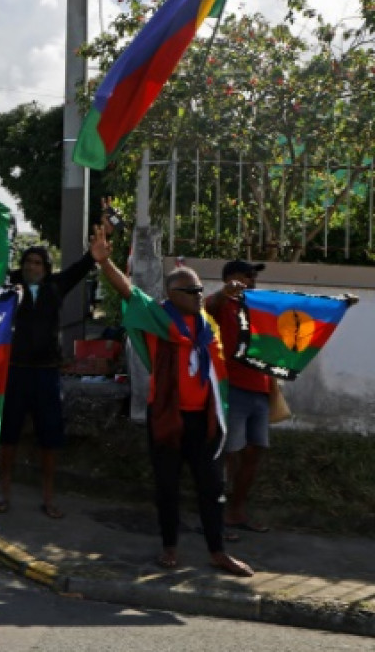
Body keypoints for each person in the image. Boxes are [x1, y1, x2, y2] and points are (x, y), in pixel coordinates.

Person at [97, 240, 253, 577]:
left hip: (204, 419)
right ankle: (170, 546)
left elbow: (210, 303)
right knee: (166, 485)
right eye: (192, 290)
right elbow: (129, 293)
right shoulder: (158, 319)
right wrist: (105, 263)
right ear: (172, 294)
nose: (199, 295)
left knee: (211, 486)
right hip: (168, 417)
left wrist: (223, 293)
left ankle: (217, 551)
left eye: (200, 290)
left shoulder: (205, 326)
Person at [0, 232, 108, 519]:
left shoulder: (55, 287)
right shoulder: (9, 286)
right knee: (8, 437)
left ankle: (48, 497)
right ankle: (3, 493)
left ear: (46, 268)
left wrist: (94, 254)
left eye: (38, 263)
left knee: (50, 439)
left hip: (46, 374)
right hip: (14, 372)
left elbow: (80, 268)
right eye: (28, 262)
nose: (32, 267)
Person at [206, 259, 271, 537]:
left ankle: (236, 512)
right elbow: (204, 310)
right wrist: (225, 292)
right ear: (231, 278)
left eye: (254, 275)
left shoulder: (257, 306)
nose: (253, 279)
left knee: (254, 452)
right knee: (227, 455)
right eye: (247, 274)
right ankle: (215, 517)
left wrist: (337, 306)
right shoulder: (223, 305)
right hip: (233, 389)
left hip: (261, 389)